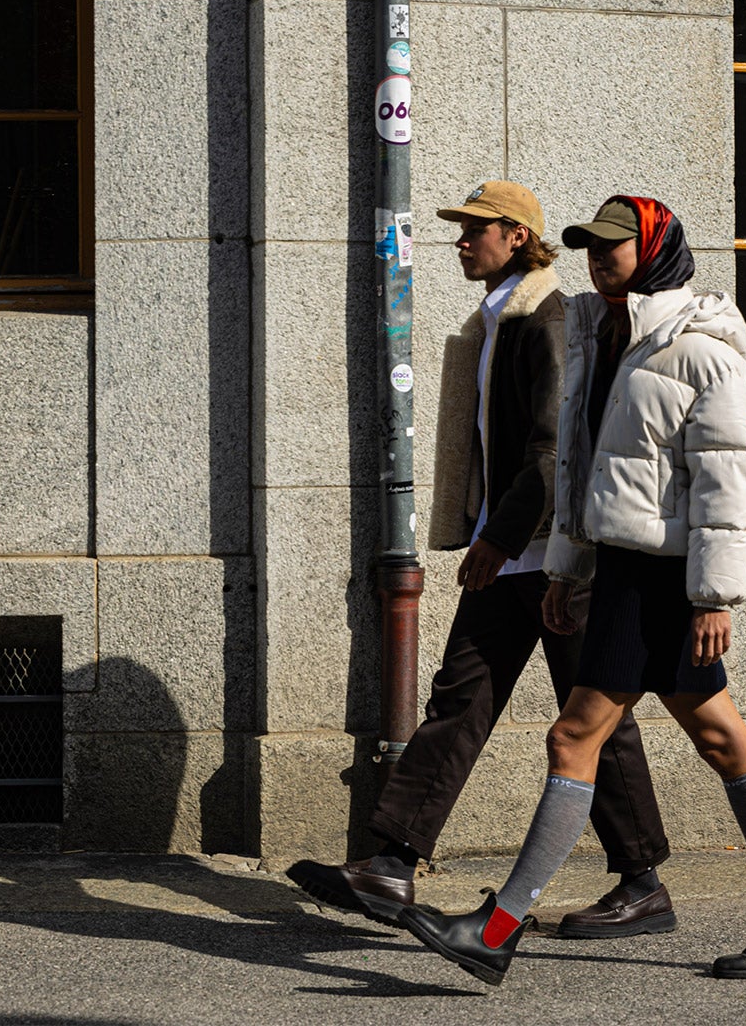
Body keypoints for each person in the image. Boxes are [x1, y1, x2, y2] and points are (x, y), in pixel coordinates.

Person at [400, 195, 746, 985]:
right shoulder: (601, 335)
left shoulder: (701, 347)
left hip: (666, 579)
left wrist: (712, 598)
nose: (600, 259)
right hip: (620, 570)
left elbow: (728, 481)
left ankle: (496, 929)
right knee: (721, 740)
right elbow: (579, 468)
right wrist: (568, 567)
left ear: (655, 249)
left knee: (576, 737)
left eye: (615, 247)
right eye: (591, 248)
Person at [287, 181, 677, 941]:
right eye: (462, 230)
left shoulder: (547, 320)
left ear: (517, 237)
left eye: (476, 230)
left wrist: (499, 537)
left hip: (559, 556)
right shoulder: (499, 318)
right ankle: (392, 864)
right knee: (460, 698)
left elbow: (549, 448)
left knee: (594, 722)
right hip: (516, 555)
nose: (462, 242)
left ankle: (642, 882)